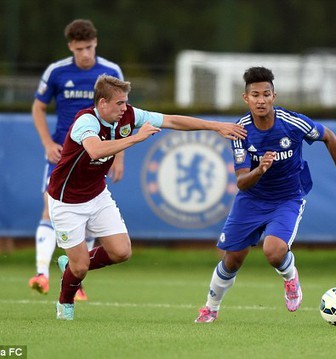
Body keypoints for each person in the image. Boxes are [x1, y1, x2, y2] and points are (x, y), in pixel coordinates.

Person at [50, 74, 247, 320]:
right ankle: (65, 303)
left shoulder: (130, 116)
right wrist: (137, 137)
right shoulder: (86, 121)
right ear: (102, 104)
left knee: (121, 252)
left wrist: (215, 126)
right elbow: (95, 150)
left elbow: (172, 121)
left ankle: (71, 267)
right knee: (80, 268)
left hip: (97, 194)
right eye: (119, 103)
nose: (125, 108)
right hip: (66, 201)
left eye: (126, 102)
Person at [194, 66, 336, 323]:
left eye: (266, 94)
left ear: (274, 96)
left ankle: (290, 277)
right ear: (245, 98)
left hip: (287, 198)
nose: (261, 100)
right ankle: (210, 308)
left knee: (273, 252)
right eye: (255, 95)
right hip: (252, 198)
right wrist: (260, 169)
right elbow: (242, 182)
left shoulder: (292, 123)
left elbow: (328, 136)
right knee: (233, 259)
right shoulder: (240, 130)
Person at [29, 19, 124, 301]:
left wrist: (118, 156)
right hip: (64, 155)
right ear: (71, 46)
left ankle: (76, 277)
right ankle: (41, 274)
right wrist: (47, 143)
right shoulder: (57, 72)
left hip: (96, 155)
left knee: (91, 213)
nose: (86, 54)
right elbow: (38, 107)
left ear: (96, 43)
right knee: (48, 209)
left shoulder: (110, 72)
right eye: (80, 48)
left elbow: (122, 115)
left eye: (90, 47)